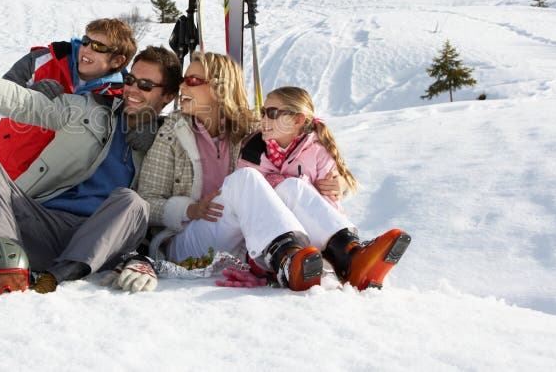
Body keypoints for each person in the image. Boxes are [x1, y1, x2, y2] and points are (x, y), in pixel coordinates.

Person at [0, 43, 182, 295]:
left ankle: (59, 275)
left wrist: (157, 137)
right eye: (130, 81)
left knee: (132, 201)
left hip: (102, 239)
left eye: (145, 85)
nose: (133, 89)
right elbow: (21, 102)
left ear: (169, 96)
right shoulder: (89, 109)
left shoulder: (170, 141)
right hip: (44, 223)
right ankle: (2, 264)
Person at [136, 53, 410, 292]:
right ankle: (287, 258)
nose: (183, 85)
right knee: (247, 179)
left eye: (194, 80)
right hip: (187, 241)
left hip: (247, 242)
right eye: (185, 79)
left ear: (220, 89)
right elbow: (145, 202)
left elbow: (304, 151)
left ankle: (351, 254)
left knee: (289, 186)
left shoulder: (253, 132)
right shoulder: (171, 134)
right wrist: (190, 210)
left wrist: (337, 184)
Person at [0, 18, 137, 181]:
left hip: (54, 184)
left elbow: (133, 125)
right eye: (86, 41)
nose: (86, 50)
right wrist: (30, 95)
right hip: (4, 168)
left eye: (98, 47)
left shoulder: (119, 93)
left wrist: (144, 128)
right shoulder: (45, 60)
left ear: (117, 61)